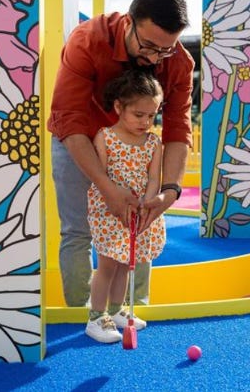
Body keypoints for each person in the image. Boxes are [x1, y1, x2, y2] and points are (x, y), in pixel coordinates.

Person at [48, 0, 193, 315]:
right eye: (149, 46)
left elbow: (176, 129)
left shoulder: (179, 62)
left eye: (166, 49)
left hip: (134, 146)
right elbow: (69, 120)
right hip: (79, 139)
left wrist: (169, 191)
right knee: (78, 229)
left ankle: (130, 310)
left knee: (140, 224)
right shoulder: (87, 40)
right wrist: (106, 186)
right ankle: (81, 315)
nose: (155, 57)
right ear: (129, 21)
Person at [85, 71, 166, 343]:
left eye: (151, 116)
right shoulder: (105, 137)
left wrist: (149, 201)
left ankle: (116, 309)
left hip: (138, 212)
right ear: (119, 107)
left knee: (124, 264)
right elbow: (101, 176)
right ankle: (95, 317)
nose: (145, 122)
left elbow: (154, 178)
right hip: (109, 211)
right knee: (108, 264)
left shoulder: (154, 142)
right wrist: (118, 201)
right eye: (138, 115)